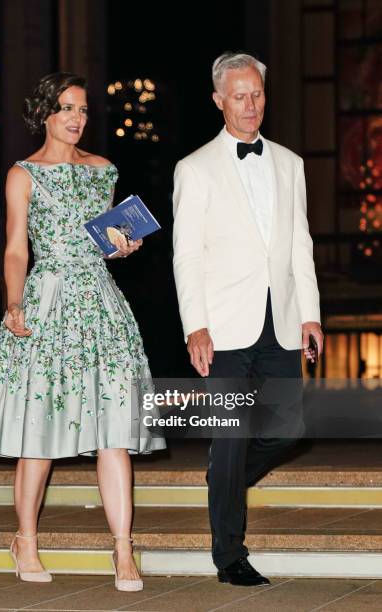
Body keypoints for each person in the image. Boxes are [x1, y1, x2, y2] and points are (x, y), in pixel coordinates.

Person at [0, 72, 165, 591]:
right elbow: (16, 248)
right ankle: (26, 540)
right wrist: (14, 302)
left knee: (114, 431)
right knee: (37, 431)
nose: (77, 118)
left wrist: (123, 245)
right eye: (66, 108)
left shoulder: (104, 170)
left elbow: (105, 238)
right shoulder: (23, 175)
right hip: (47, 300)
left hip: (101, 305)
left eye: (82, 109)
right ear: (45, 114)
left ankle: (124, 550)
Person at [172, 52, 323, 586]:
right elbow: (186, 254)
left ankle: (224, 478)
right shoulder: (194, 168)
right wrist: (196, 325)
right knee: (232, 435)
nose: (251, 104)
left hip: (280, 320)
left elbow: (299, 245)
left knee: (288, 428)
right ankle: (229, 555)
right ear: (218, 101)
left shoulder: (289, 163)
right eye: (239, 95)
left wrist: (311, 315)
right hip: (223, 326)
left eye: (257, 93)